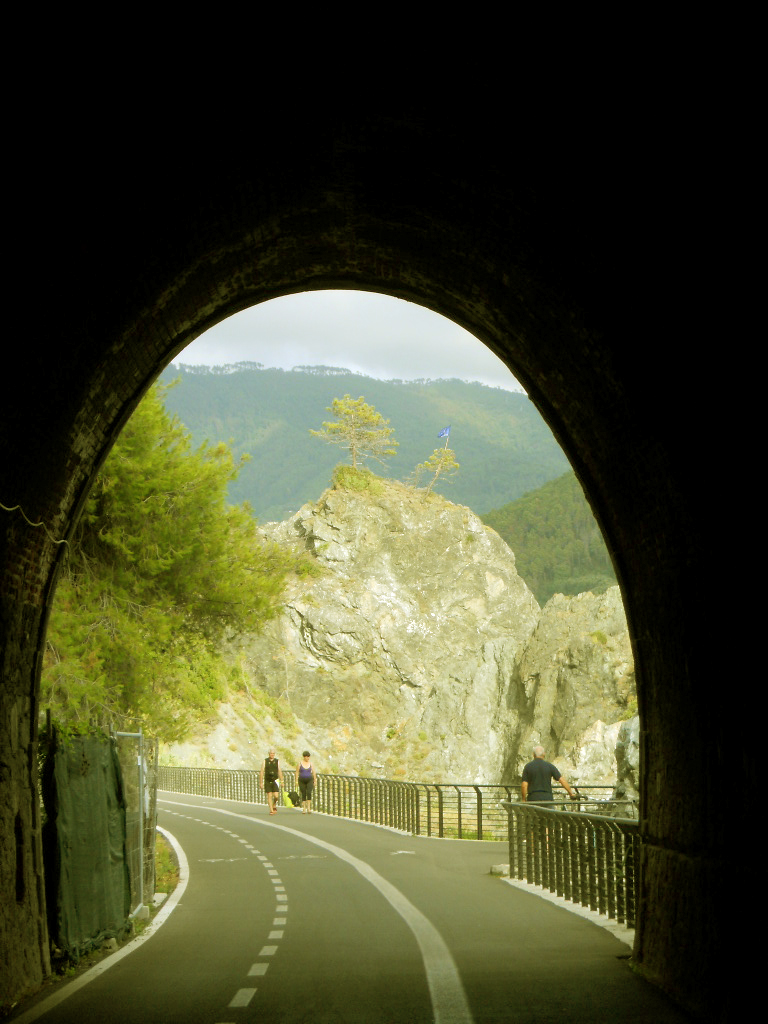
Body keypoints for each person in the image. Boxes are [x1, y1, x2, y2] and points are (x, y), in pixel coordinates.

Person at [259, 747, 283, 815]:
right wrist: (261, 782)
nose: (272, 755)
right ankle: (271, 810)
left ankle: (274, 804)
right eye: (271, 753)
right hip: (268, 780)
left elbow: (279, 771)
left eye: (273, 753)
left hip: (275, 780)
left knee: (276, 796)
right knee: (269, 795)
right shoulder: (265, 761)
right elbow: (262, 771)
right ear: (269, 754)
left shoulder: (277, 761)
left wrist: (282, 781)